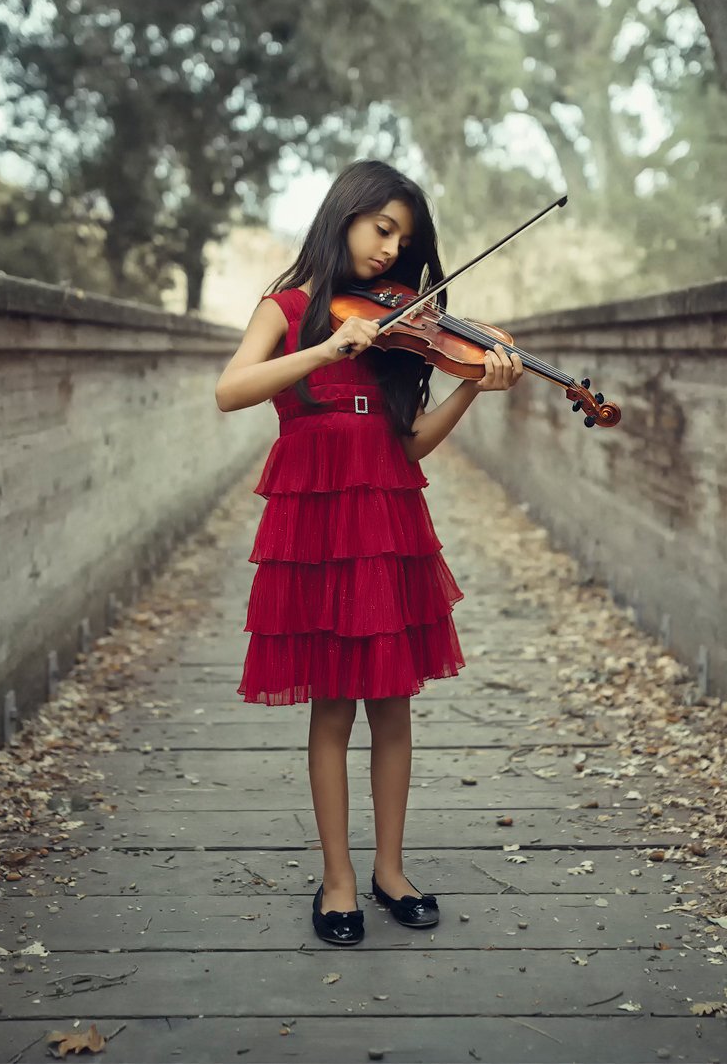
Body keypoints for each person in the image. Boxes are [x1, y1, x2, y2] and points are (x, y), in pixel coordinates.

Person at [214, 158, 525, 947]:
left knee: (393, 703)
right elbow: (231, 390)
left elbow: (411, 443)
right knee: (331, 705)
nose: (390, 249)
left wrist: (466, 387)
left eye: (404, 240)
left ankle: (390, 869)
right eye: (381, 227)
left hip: (385, 520)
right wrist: (326, 349)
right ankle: (339, 879)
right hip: (315, 527)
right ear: (344, 213)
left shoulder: (399, 332)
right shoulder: (286, 309)